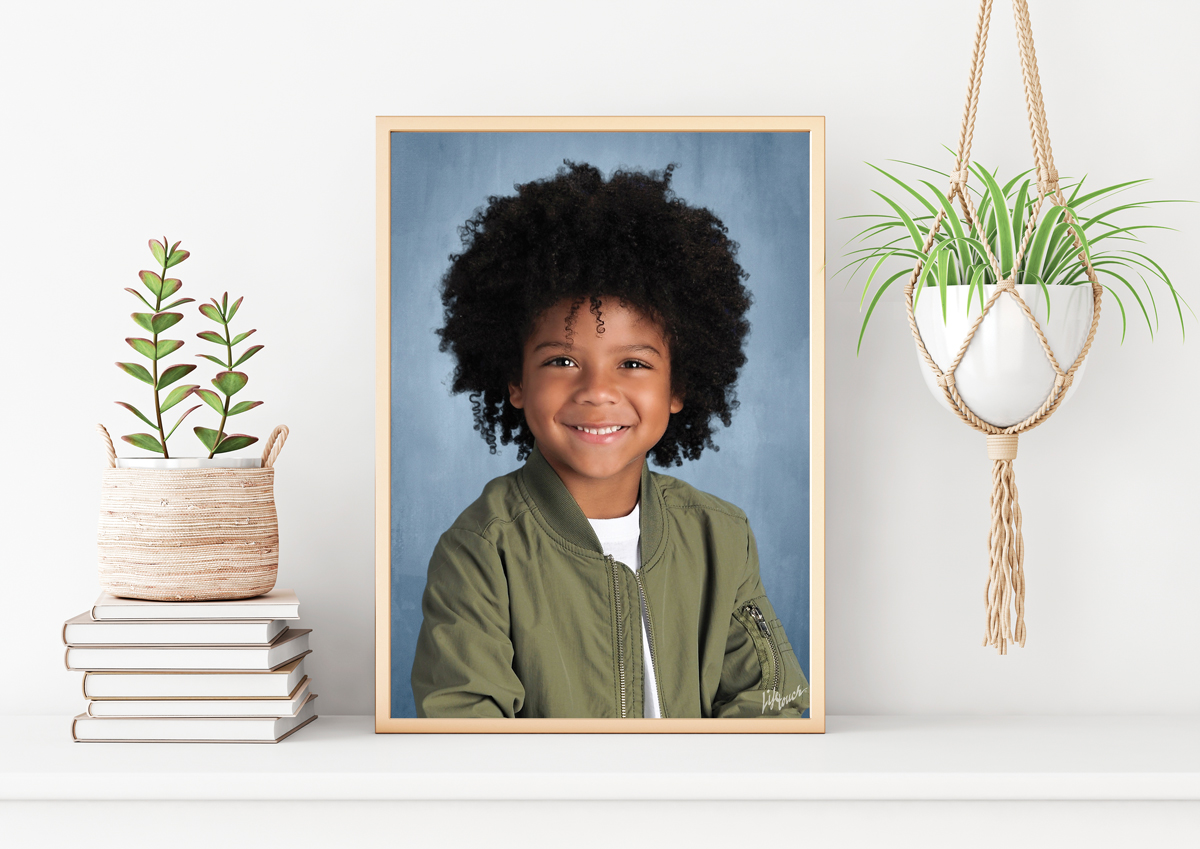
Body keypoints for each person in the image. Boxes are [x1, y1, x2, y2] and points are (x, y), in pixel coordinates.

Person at [411, 160, 810, 719]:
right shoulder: (482, 551)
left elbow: (774, 705)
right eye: (562, 359)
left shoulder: (721, 537)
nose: (598, 391)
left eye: (632, 363)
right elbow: (467, 736)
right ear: (516, 383)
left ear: (678, 388)